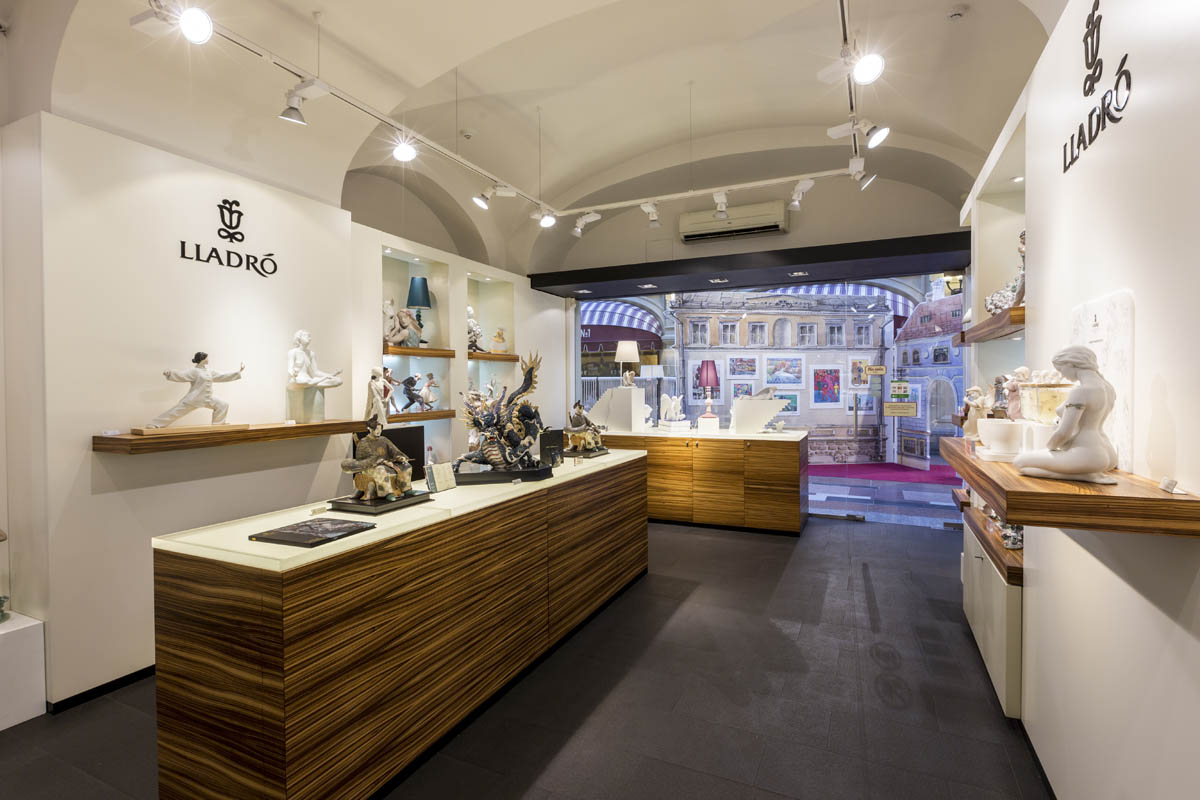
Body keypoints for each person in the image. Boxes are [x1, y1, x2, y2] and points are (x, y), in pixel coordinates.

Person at [1013, 346, 1118, 484]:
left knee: (1020, 462)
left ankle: (1084, 476)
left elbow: (1064, 432)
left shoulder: (1081, 391)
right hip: (1108, 452)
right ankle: (1085, 473)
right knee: (1029, 465)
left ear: (1071, 363)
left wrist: (1050, 448)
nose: (1062, 375)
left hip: (1087, 454)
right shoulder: (1109, 388)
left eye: (1061, 370)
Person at [146, 352, 244, 428]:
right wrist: (170, 373)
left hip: (208, 398)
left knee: (223, 405)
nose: (208, 359)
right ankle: (155, 424)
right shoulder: (194, 371)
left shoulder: (209, 371)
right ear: (203, 359)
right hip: (195, 399)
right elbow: (182, 375)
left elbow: (222, 376)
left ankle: (218, 425)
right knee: (176, 412)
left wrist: (238, 372)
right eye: (207, 358)